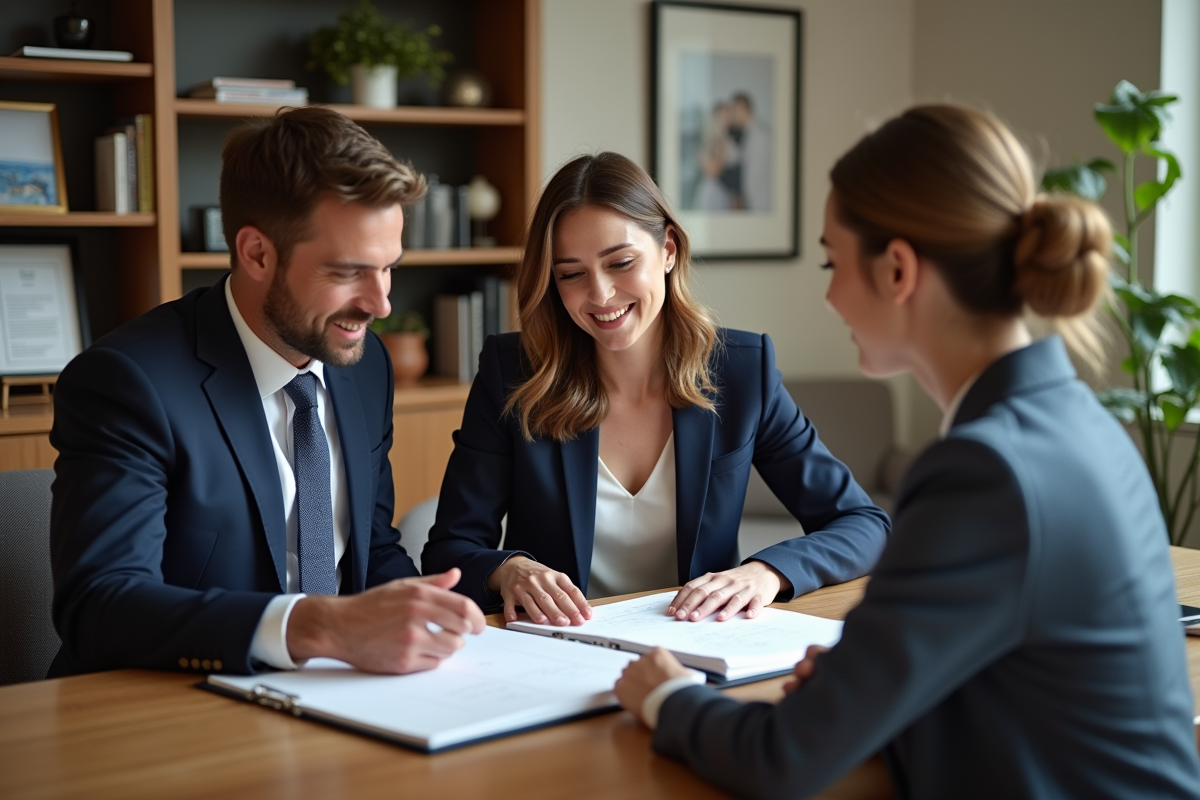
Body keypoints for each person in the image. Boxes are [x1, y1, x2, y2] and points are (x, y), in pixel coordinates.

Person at [614, 105, 1200, 798]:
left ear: (897, 269)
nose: (829, 296)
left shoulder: (983, 472)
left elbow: (783, 759)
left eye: (833, 262)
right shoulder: (1076, 419)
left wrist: (667, 695)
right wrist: (864, 694)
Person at [48, 107, 484, 679]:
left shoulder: (363, 363)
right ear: (256, 253)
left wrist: (424, 612)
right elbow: (99, 607)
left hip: (334, 699)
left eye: (389, 268)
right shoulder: (127, 382)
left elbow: (370, 550)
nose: (381, 305)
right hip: (165, 710)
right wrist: (320, 627)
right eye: (349, 272)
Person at [422, 151, 889, 627]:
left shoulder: (743, 372)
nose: (600, 294)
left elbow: (864, 525)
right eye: (571, 274)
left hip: (698, 649)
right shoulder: (512, 373)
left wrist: (766, 573)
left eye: (620, 262)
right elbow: (448, 552)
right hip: (559, 652)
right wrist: (508, 569)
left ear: (668, 250)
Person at [729, 92, 770, 213]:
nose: (733, 116)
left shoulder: (761, 136)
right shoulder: (748, 136)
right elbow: (734, 156)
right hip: (753, 205)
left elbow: (756, 178)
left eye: (734, 111)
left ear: (742, 108)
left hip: (760, 206)